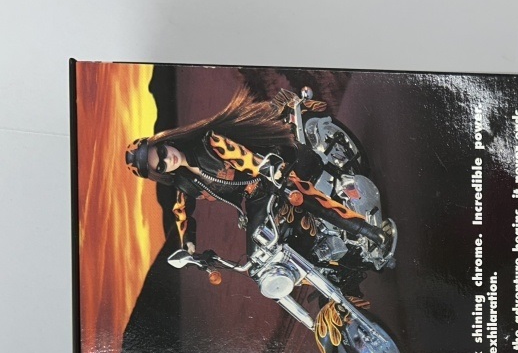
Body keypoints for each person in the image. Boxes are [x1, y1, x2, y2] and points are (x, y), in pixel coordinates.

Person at [125, 86, 387, 256]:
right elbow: (181, 214)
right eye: (160, 166)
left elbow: (243, 157)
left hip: (270, 165)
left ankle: (367, 230)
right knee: (258, 259)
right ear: (161, 173)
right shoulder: (185, 184)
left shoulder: (209, 142)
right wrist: (189, 247)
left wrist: (268, 169)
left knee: (299, 195)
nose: (167, 159)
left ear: (165, 141)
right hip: (257, 195)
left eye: (161, 152)